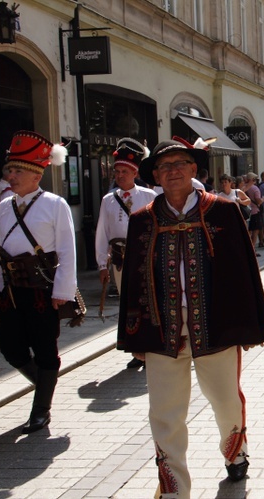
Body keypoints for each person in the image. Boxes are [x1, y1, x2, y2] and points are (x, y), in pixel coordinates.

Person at [118, 138, 264, 497]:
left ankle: (235, 452)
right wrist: (135, 338)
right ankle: (173, 489)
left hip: (217, 328)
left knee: (225, 400)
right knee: (165, 414)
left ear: (194, 169)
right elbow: (134, 280)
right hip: (161, 333)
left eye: (180, 164)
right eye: (164, 166)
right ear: (155, 175)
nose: (172, 171)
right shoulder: (142, 220)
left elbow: (244, 270)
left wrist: (250, 325)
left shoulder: (222, 211)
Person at [0, 131, 76, 433]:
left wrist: (62, 291)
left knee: (45, 348)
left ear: (36, 175)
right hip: (12, 289)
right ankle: (44, 385)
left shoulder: (55, 204)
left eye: (18, 171)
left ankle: (41, 411)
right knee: (11, 348)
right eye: (10, 170)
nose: (11, 176)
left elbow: (66, 250)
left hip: (43, 289)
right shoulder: (4, 205)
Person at [95, 138, 157, 369]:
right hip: (120, 259)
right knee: (127, 304)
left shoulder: (148, 197)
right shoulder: (108, 200)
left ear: (134, 172)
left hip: (144, 257)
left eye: (123, 171)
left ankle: (149, 344)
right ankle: (135, 348)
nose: (118, 175)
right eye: (116, 171)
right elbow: (101, 233)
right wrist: (102, 264)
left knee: (146, 302)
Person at [243, 172, 263, 251]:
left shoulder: (244, 187)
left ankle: (249, 248)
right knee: (255, 231)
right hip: (254, 211)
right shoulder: (255, 188)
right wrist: (263, 199)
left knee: (249, 231)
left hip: (246, 212)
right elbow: (258, 201)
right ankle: (252, 248)